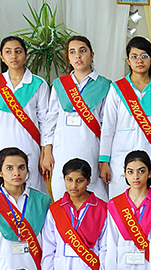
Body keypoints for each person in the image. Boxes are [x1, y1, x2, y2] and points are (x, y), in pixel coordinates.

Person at [43, 35, 112, 201]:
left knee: (96, 199)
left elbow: (108, 125)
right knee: (62, 197)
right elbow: (50, 119)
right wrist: (46, 151)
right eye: (72, 52)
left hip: (92, 149)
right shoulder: (60, 85)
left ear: (92, 54)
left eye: (83, 51)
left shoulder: (105, 85)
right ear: (68, 57)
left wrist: (105, 158)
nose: (78, 56)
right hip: (62, 150)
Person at [41, 158, 108, 270]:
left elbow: (106, 248)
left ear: (88, 181)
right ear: (63, 179)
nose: (74, 186)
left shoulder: (102, 208)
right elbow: (49, 249)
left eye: (79, 180)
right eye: (69, 180)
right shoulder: (55, 210)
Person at [0, 36, 49, 195]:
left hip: (28, 145)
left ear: (25, 55)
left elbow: (45, 121)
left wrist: (45, 152)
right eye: (8, 52)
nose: (13, 56)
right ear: (2, 57)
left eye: (18, 51)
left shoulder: (38, 84)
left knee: (30, 189)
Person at [100, 36, 151, 197]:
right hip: (120, 155)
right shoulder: (117, 89)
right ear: (128, 61)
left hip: (150, 153)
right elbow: (108, 125)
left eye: (144, 56)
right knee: (120, 204)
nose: (139, 61)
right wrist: (104, 160)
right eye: (134, 56)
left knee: (149, 203)